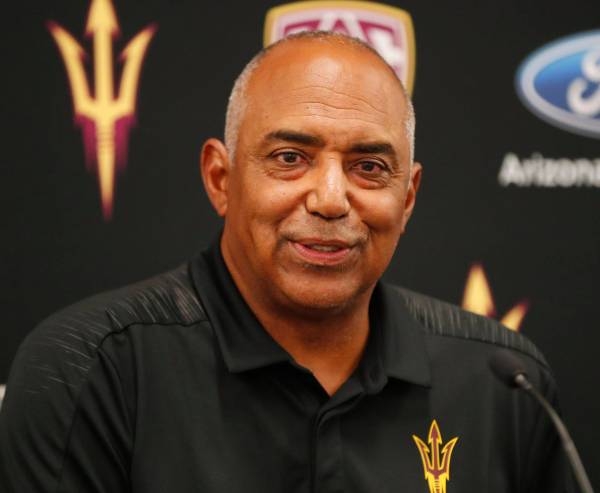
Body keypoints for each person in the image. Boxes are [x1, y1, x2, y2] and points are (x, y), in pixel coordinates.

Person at [0, 32, 572, 492]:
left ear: (408, 199)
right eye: (291, 157)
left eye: (369, 167)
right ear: (220, 179)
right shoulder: (93, 370)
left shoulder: (504, 386)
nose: (330, 199)